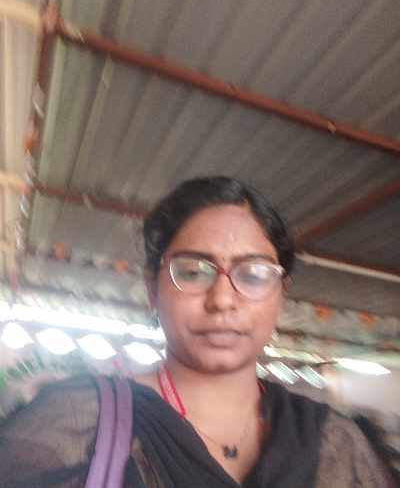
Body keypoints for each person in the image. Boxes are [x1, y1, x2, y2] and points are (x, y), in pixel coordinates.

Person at [0, 176, 394, 487]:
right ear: (152, 289)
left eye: (254, 274)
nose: (222, 299)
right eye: (192, 271)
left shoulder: (334, 441)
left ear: (280, 295)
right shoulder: (75, 423)